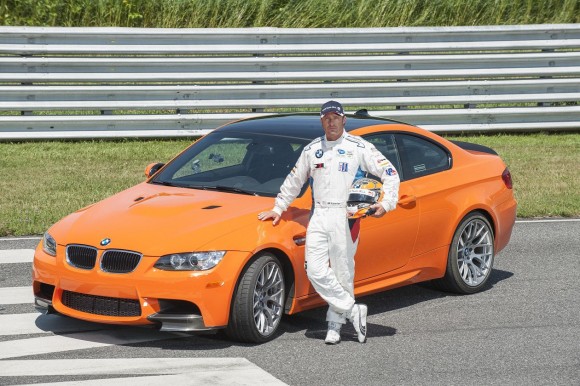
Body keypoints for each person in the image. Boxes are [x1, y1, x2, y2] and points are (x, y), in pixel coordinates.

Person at [258, 101, 400, 344]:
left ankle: (334, 326)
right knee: (314, 270)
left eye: (336, 117)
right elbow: (294, 180)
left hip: (347, 216)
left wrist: (386, 204)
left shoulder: (359, 146)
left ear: (344, 120)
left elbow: (390, 174)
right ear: (322, 121)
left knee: (343, 273)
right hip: (320, 214)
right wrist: (278, 208)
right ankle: (352, 309)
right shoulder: (312, 149)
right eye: (327, 118)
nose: (331, 122)